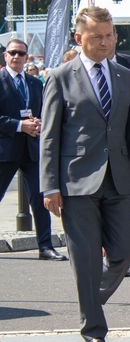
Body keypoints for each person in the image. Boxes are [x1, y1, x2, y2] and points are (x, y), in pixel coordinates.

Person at [41, 6, 130, 342]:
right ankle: (93, 330)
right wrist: (49, 186)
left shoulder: (125, 75)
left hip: (118, 179)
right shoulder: (60, 76)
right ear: (79, 37)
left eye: (110, 35)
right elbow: (49, 136)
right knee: (85, 258)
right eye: (97, 36)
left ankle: (90, 297)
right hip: (75, 182)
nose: (106, 42)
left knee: (127, 248)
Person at [0, 39, 66, 261]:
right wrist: (19, 126)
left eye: (21, 54)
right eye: (12, 53)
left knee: (41, 200)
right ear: (5, 56)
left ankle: (45, 246)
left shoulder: (35, 83)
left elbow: (46, 111)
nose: (16, 57)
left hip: (32, 149)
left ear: (27, 57)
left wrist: (38, 123)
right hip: (5, 150)